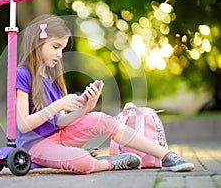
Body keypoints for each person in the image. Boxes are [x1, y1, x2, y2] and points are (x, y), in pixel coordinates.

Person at [15, 14, 194, 174]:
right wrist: (59, 105)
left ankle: (167, 156)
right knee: (83, 162)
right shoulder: (23, 74)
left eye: (62, 48)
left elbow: (59, 123)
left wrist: (85, 109)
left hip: (59, 138)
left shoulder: (53, 78)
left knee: (100, 118)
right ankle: (106, 163)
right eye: (55, 47)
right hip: (35, 146)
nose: (60, 54)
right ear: (37, 43)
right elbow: (23, 125)